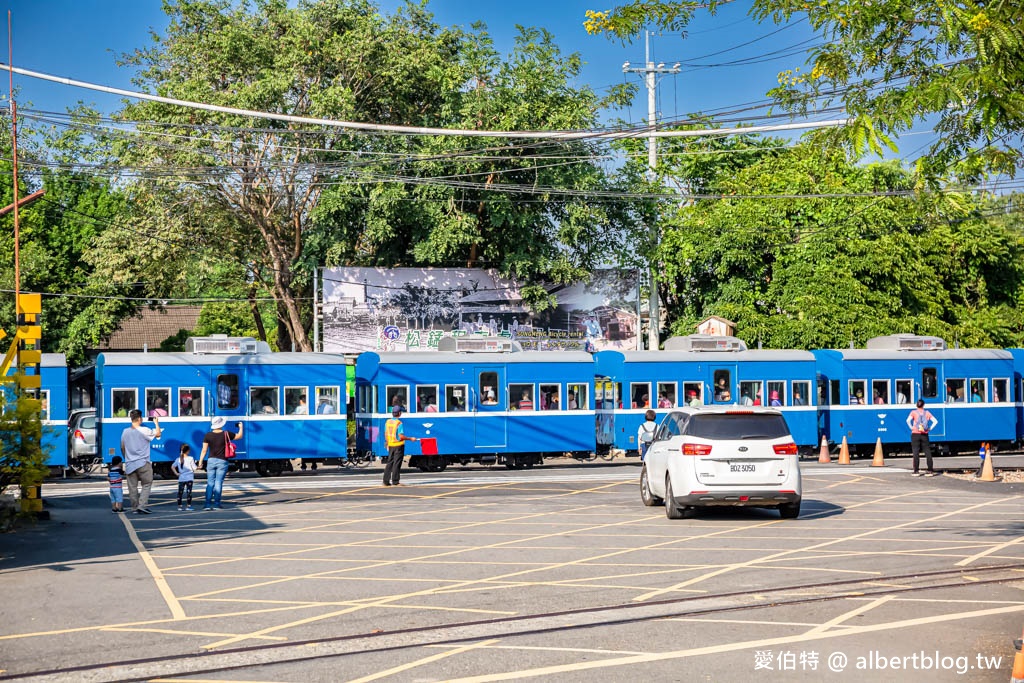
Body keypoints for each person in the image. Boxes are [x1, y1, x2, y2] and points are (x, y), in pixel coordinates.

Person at [120, 409, 161, 514]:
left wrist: (127, 458)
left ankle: (134, 508)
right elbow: (158, 434)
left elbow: (122, 447)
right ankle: (142, 505)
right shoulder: (144, 430)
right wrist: (156, 423)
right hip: (143, 462)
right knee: (146, 484)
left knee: (132, 487)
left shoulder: (125, 432)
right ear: (139, 419)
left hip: (130, 463)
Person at [198, 416, 243, 510]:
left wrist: (200, 461)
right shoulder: (226, 434)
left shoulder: (208, 435)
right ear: (221, 424)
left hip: (211, 461)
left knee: (210, 482)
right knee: (218, 482)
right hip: (222, 461)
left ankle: (207, 504)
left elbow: (204, 450)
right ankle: (217, 504)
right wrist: (241, 427)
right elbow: (239, 436)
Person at [383, 407, 417, 486]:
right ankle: (395, 481)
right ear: (399, 413)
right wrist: (410, 438)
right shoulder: (399, 423)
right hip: (398, 445)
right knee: (397, 463)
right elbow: (401, 436)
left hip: (391, 445)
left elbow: (385, 434)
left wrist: (387, 443)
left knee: (390, 463)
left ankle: (385, 481)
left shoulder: (387, 422)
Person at [906, 399, 938, 476]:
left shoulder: (913, 412)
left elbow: (907, 421)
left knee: (915, 452)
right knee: (927, 451)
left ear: (916, 405)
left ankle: (916, 471)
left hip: (915, 434)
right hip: (924, 434)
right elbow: (935, 421)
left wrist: (912, 428)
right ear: (923, 405)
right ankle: (930, 470)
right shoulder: (927, 413)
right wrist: (930, 428)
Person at [172, 444, 197, 511]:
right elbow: (194, 468)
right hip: (189, 478)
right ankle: (188, 506)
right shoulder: (190, 458)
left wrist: (176, 473)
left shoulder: (178, 459)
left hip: (181, 478)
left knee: (180, 492)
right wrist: (199, 466)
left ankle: (179, 506)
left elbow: (172, 466)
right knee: (189, 492)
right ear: (188, 451)